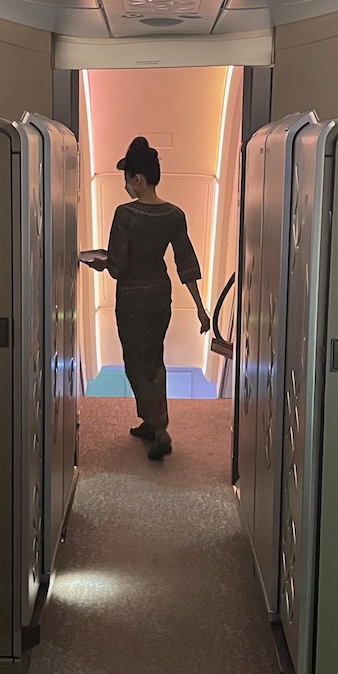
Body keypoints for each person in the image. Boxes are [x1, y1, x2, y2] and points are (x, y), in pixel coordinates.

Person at [85, 137, 210, 460]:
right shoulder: (174, 215)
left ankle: (159, 426)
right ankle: (152, 422)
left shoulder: (125, 215)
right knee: (154, 359)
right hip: (160, 297)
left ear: (138, 179)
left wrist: (97, 262)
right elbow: (187, 264)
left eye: (127, 180)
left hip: (132, 299)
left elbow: (117, 266)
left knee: (135, 363)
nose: (126, 186)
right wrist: (200, 308)